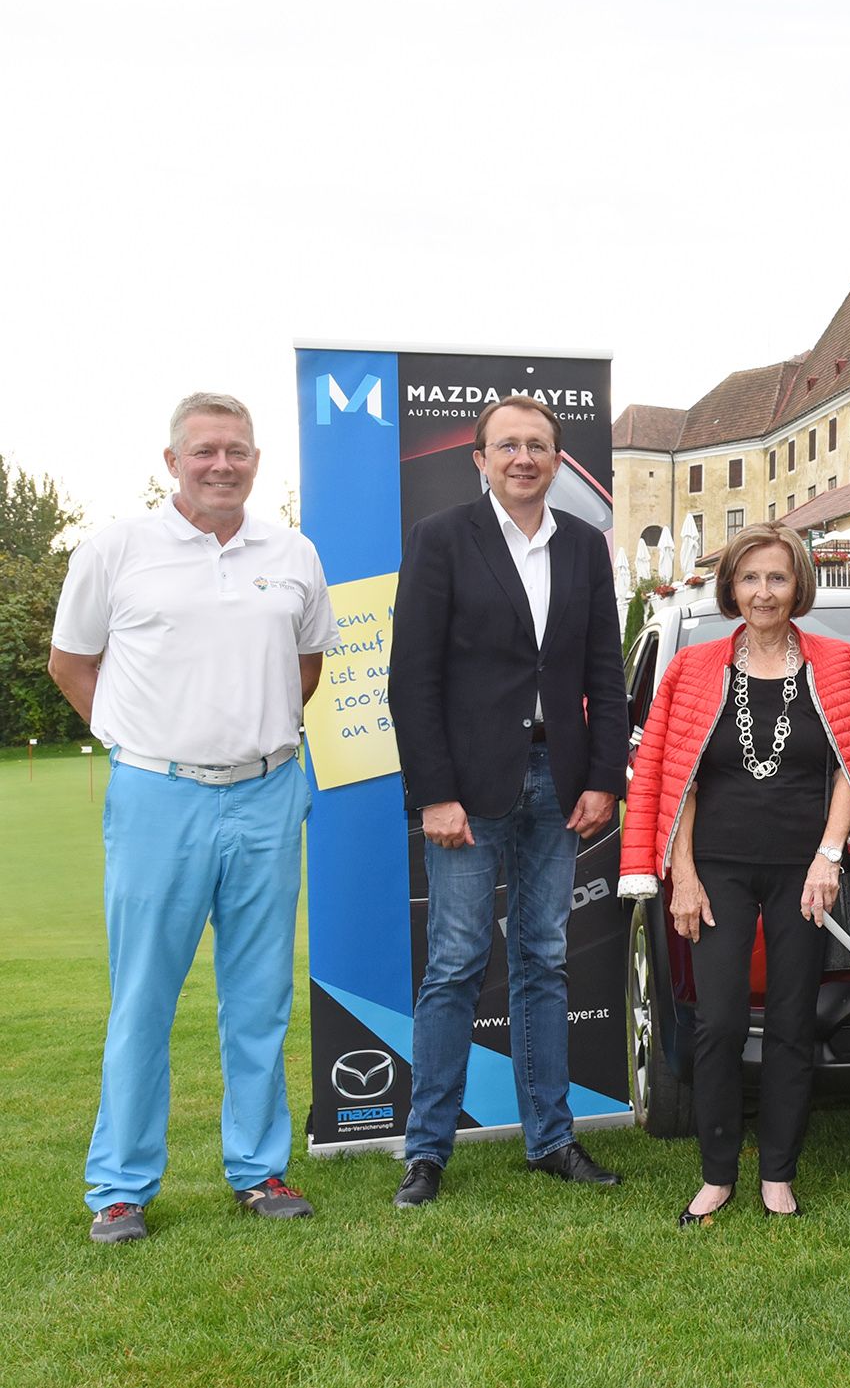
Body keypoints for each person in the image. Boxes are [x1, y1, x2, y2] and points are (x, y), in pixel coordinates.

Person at [48, 392, 340, 1243]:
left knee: (259, 998)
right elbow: (72, 662)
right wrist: (137, 740)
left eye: (238, 451)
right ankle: (121, 1187)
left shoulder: (292, 551)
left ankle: (259, 1171)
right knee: (143, 996)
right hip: (158, 797)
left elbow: (306, 664)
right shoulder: (116, 548)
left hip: (268, 791)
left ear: (256, 460)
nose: (223, 464)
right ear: (171, 461)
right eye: (206, 450)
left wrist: (256, 738)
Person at [618, 523, 850, 1221]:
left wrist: (829, 857)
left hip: (805, 871)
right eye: (750, 578)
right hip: (717, 868)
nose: (763, 592)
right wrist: (680, 873)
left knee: (790, 1021)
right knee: (716, 1022)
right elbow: (674, 775)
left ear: (797, 585)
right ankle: (717, 1174)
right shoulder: (693, 667)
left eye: (777, 578)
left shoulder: (839, 663)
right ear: (732, 587)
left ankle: (778, 1172)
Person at [388, 394, 629, 1207]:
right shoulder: (440, 541)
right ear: (480, 459)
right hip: (467, 791)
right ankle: (426, 1152)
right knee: (455, 964)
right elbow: (410, 680)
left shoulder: (589, 549)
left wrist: (603, 778)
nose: (524, 457)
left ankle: (551, 1141)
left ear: (558, 458)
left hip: (557, 784)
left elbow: (606, 674)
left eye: (539, 445)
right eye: (508, 445)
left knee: (545, 961)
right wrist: (435, 796)